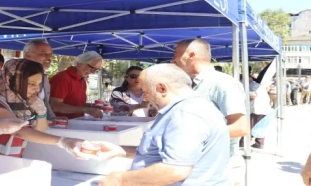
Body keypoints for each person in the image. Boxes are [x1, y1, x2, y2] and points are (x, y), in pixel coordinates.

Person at [98, 64, 230, 185]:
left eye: (145, 91)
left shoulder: (185, 114)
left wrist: (121, 179)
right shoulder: (191, 107)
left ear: (162, 88)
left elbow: (176, 169)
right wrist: (122, 150)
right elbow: (168, 151)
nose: (144, 97)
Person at [0, 59, 93, 158]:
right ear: (13, 80)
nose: (37, 89)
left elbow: (40, 130)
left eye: (38, 84)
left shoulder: (23, 101)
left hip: (8, 161)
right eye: (31, 84)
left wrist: (41, 113)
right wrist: (64, 141)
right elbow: (19, 131)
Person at [171, 39, 249, 186]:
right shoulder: (188, 84)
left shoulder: (223, 83)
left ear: (191, 55)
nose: (172, 59)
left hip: (219, 170)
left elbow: (240, 128)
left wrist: (190, 137)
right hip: (199, 168)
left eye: (176, 54)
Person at [49, 51, 104, 119]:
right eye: (92, 68)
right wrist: (86, 109)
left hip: (76, 123)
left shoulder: (82, 80)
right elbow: (54, 106)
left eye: (96, 70)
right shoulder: (63, 78)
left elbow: (76, 104)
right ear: (80, 64)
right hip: (61, 125)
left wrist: (92, 107)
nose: (93, 72)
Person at [23, 40, 56, 120]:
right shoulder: (8, 76)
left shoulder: (44, 78)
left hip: (39, 127)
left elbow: (45, 104)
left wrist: (53, 118)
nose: (49, 58)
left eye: (50, 54)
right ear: (28, 56)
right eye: (43, 54)